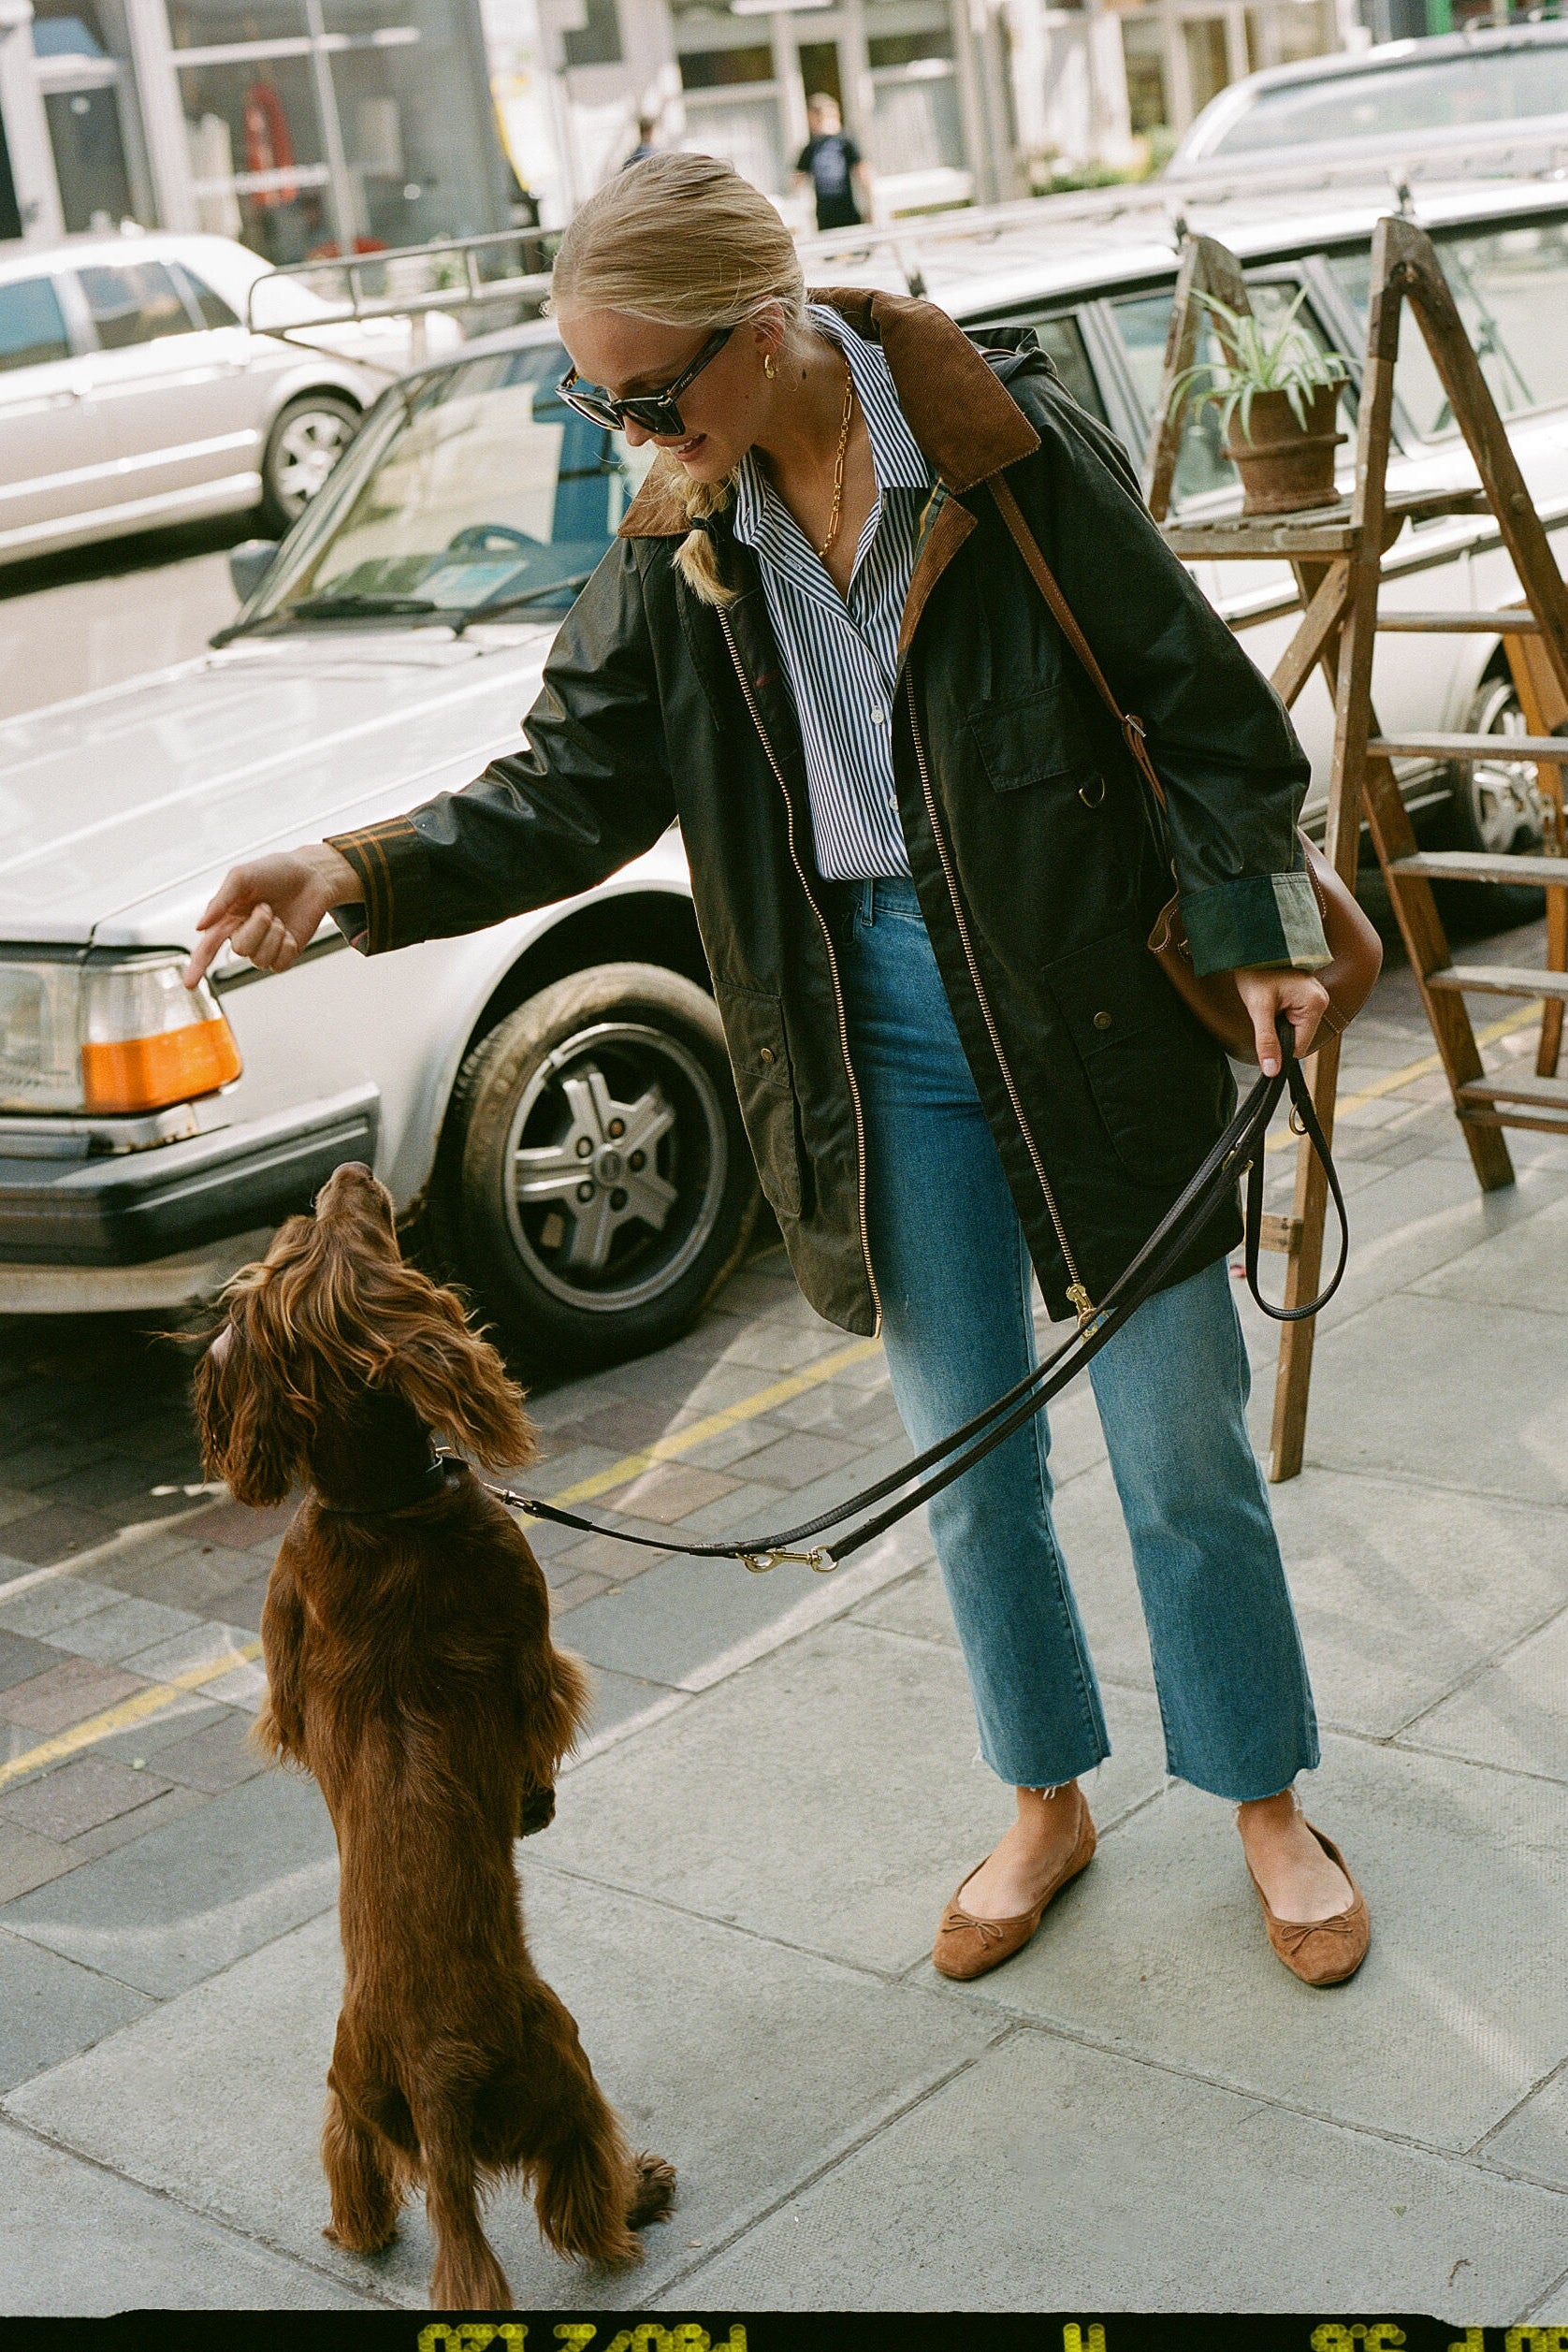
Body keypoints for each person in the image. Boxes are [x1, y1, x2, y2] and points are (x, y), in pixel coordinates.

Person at [185, 152, 1370, 1992]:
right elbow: (568, 785)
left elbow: (1214, 722)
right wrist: (354, 868)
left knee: (1176, 1444)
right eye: (597, 398)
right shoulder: (678, 532)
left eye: (651, 391)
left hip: (1076, 1003)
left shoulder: (1004, 451)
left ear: (774, 325)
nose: (632, 432)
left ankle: (1262, 1800)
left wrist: (1258, 925)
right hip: (859, 1023)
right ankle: (1043, 1797)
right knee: (963, 1461)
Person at [793, 94, 868, 233]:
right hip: (824, 212)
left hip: (848, 207)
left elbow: (862, 172)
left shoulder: (845, 143)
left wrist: (869, 205)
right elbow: (797, 179)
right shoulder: (810, 148)